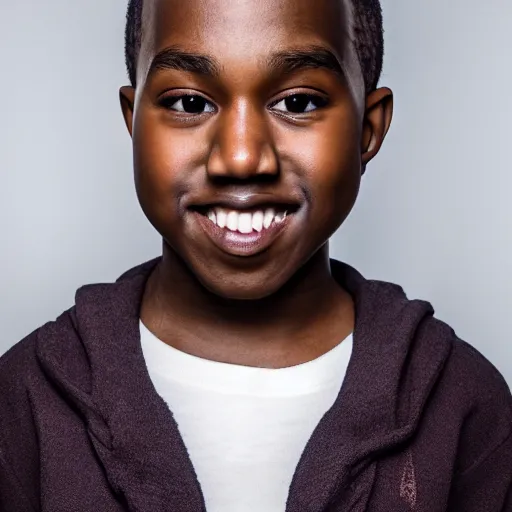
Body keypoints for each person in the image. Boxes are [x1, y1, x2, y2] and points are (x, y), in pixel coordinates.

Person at [1, 0, 511, 510]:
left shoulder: (467, 408)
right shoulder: (20, 405)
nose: (242, 158)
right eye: (189, 104)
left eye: (299, 103)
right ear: (134, 121)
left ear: (368, 128)